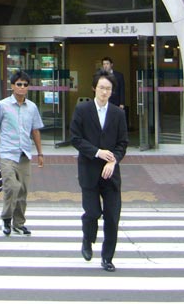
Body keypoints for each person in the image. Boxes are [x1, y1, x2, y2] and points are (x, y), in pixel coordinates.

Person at [70, 70, 128, 272]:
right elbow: (75, 138)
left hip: (111, 173)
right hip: (89, 170)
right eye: (102, 88)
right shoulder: (82, 110)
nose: (105, 92)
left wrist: (114, 161)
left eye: (108, 89)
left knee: (112, 216)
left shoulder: (118, 113)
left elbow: (122, 143)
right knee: (93, 212)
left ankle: (107, 258)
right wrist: (97, 152)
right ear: (94, 88)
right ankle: (88, 239)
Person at [0, 70, 44, 237]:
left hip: (24, 154)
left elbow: (35, 130)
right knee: (12, 187)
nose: (22, 87)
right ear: (12, 86)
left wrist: (40, 153)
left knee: (23, 190)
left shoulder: (32, 107)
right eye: (18, 84)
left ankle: (19, 223)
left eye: (25, 85)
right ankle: (6, 218)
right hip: (7, 153)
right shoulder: (2, 105)